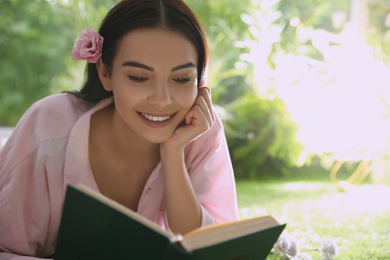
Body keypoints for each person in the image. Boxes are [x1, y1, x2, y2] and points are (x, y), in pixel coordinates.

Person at [0, 0, 239, 258]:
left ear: (200, 82)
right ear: (104, 73)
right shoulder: (48, 128)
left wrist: (173, 153)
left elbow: (217, 252)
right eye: (138, 77)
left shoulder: (199, 130)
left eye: (182, 79)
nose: (162, 99)